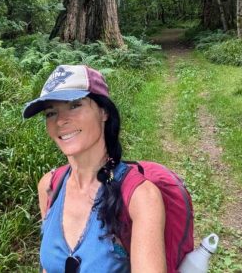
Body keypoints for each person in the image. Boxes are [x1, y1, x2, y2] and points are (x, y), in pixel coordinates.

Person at [22, 65, 166, 273]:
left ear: (104, 111)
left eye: (74, 105)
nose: (61, 120)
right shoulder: (49, 186)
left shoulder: (140, 197)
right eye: (51, 112)